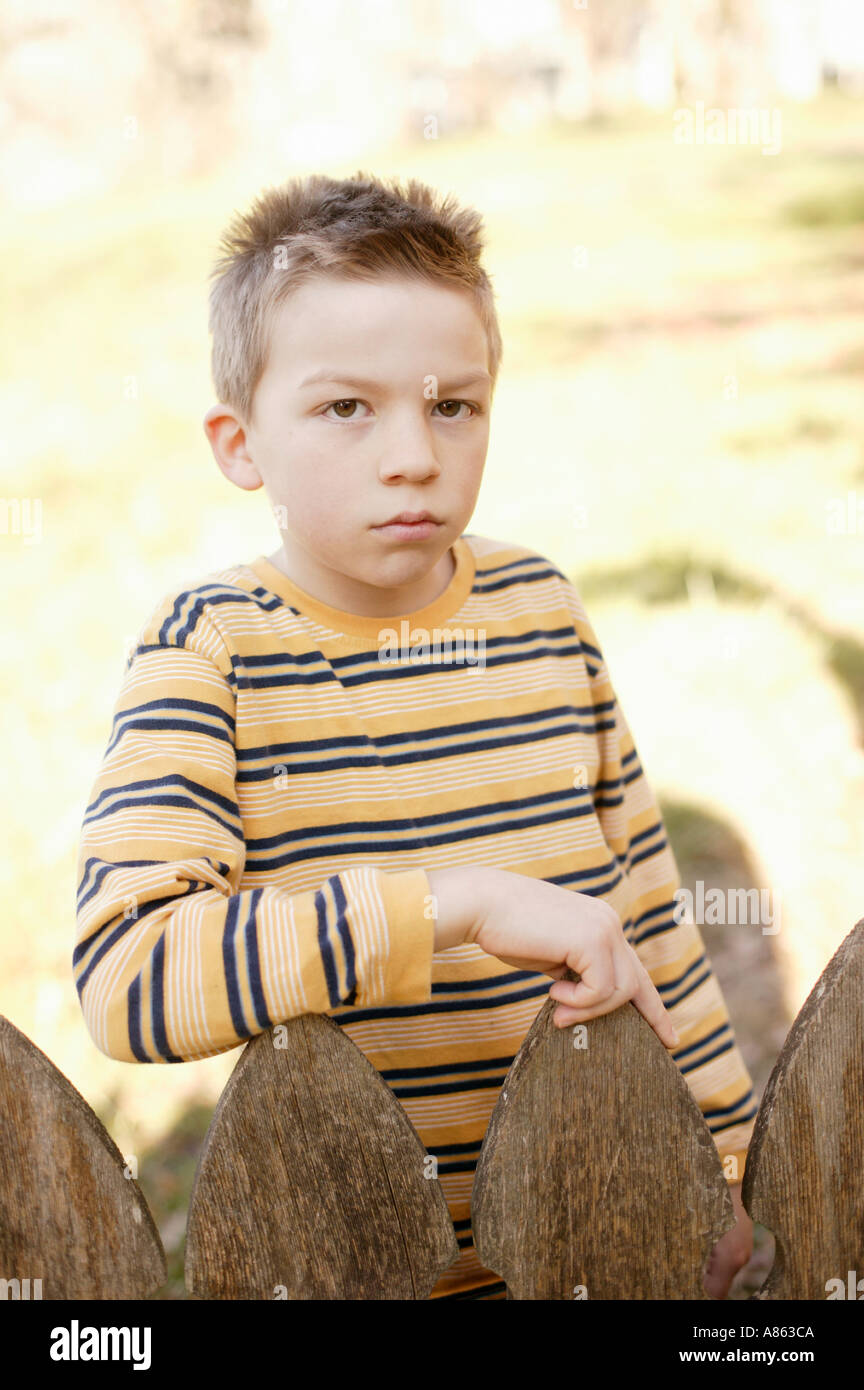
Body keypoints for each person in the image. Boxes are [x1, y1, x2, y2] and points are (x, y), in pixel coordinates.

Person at [74, 172, 758, 1299]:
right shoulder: (212, 651)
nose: (414, 456)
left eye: (455, 405)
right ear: (240, 444)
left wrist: (721, 1166)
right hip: (354, 1262)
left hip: (592, 1242)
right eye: (347, 408)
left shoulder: (541, 611)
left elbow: (647, 920)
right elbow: (131, 977)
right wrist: (459, 903)